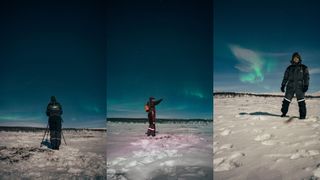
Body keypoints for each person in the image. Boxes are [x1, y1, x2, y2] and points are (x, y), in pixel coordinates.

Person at [280, 52, 309, 119]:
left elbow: (306, 77)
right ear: (292, 59)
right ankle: (283, 113)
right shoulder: (289, 68)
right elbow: (285, 77)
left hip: (300, 87)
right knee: (286, 101)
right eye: (294, 58)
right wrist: (283, 85)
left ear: (299, 59)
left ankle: (302, 116)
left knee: (301, 102)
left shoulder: (304, 67)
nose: (296, 59)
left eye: (297, 58)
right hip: (290, 86)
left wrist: (306, 85)